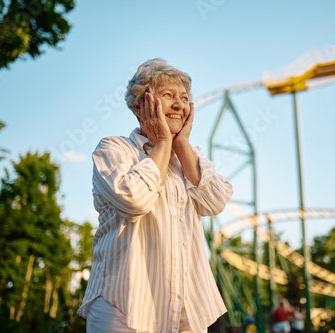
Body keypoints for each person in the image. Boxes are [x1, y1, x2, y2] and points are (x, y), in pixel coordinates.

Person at [77, 59, 234, 332]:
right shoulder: (114, 149)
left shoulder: (191, 156)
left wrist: (181, 144)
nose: (179, 105)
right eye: (168, 96)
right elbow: (135, 201)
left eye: (185, 98)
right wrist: (162, 143)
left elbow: (215, 202)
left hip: (186, 310)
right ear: (141, 106)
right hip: (123, 306)